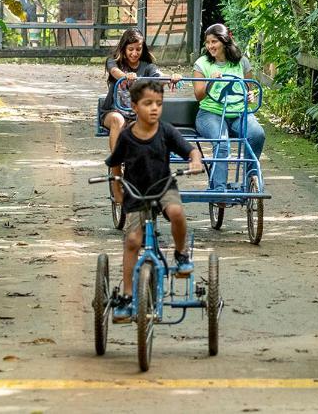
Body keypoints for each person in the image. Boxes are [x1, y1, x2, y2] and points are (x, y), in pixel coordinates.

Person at [105, 78, 203, 322]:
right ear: (135, 107)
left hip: (163, 187)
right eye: (148, 103)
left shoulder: (166, 131)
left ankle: (181, 254)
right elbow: (115, 162)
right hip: (136, 191)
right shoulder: (126, 137)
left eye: (158, 103)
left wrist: (195, 160)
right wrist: (117, 187)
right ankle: (127, 296)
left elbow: (190, 149)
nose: (154, 108)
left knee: (177, 213)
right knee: (132, 241)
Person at [193, 24, 265, 196]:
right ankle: (219, 190)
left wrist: (250, 96)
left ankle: (251, 175)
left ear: (225, 42)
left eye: (214, 42)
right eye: (208, 42)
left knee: (257, 134)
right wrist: (211, 81)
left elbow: (248, 89)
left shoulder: (242, 62)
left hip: (239, 112)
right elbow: (199, 95)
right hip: (210, 114)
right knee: (222, 142)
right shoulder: (202, 64)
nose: (210, 46)